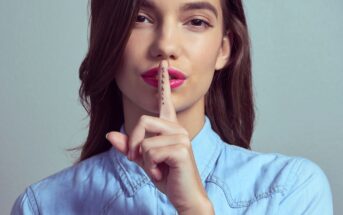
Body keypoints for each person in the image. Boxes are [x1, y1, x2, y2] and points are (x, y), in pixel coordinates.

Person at [11, 0, 333, 214]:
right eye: (141, 18)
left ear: (224, 49)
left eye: (196, 21)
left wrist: (195, 209)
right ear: (108, 38)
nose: (165, 45)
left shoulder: (290, 191)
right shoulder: (43, 206)